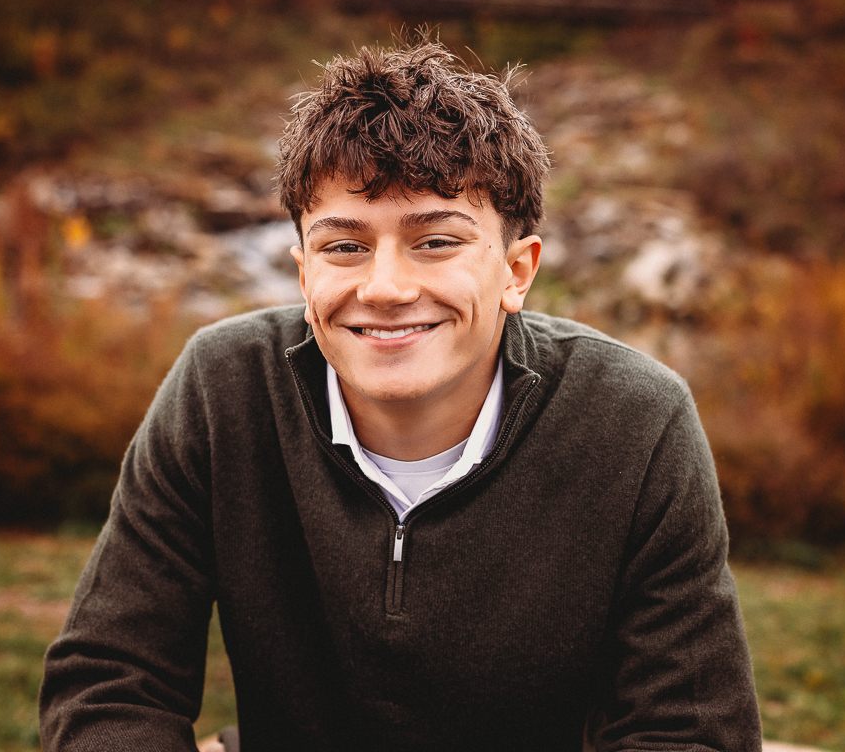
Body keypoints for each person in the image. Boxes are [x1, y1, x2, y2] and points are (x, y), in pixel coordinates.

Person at [39, 40, 762, 752]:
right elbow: (109, 682)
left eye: (436, 242)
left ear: (518, 270)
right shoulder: (222, 388)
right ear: (301, 271)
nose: (384, 288)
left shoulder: (635, 422)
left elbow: (690, 731)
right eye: (344, 246)